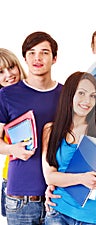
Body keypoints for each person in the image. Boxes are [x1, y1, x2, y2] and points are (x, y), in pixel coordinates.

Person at [0, 31, 62, 224]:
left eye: (44, 52)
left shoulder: (66, 94)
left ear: (54, 58)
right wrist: (12, 149)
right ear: (24, 58)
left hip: (59, 195)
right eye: (32, 52)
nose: (37, 58)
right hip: (22, 198)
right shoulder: (7, 95)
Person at [42, 72, 96, 224]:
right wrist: (81, 179)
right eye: (81, 93)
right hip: (59, 210)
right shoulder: (51, 130)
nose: (87, 101)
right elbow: (50, 176)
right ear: (69, 95)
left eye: (92, 95)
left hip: (94, 215)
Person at [0, 48, 27, 218]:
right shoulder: (2, 100)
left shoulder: (33, 91)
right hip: (15, 180)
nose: (8, 74)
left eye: (11, 67)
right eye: (0, 72)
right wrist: (12, 149)